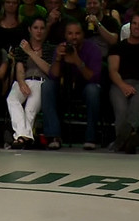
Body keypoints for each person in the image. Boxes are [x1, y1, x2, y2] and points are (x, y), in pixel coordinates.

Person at [42, 18, 102, 149]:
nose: (74, 37)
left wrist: (77, 61)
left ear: (83, 34)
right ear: (65, 35)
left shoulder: (93, 49)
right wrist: (58, 59)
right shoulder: (61, 48)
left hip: (85, 87)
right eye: (70, 33)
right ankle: (54, 136)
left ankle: (90, 137)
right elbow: (53, 75)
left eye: (77, 33)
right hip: (64, 87)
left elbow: (94, 78)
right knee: (47, 86)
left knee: (93, 90)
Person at [107, 11, 139, 154]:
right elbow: (113, 71)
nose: (137, 27)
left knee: (135, 109)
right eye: (134, 23)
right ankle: (130, 139)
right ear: (130, 26)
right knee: (121, 110)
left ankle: (120, 142)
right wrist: (123, 86)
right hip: (119, 83)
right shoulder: (117, 47)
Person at [4, 15, 52, 148]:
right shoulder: (22, 48)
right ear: (30, 29)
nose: (39, 31)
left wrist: (30, 52)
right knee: (12, 99)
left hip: (40, 82)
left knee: (30, 109)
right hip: (24, 80)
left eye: (42, 28)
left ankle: (20, 138)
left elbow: (48, 70)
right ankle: (25, 137)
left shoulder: (49, 48)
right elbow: (19, 68)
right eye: (36, 28)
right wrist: (21, 82)